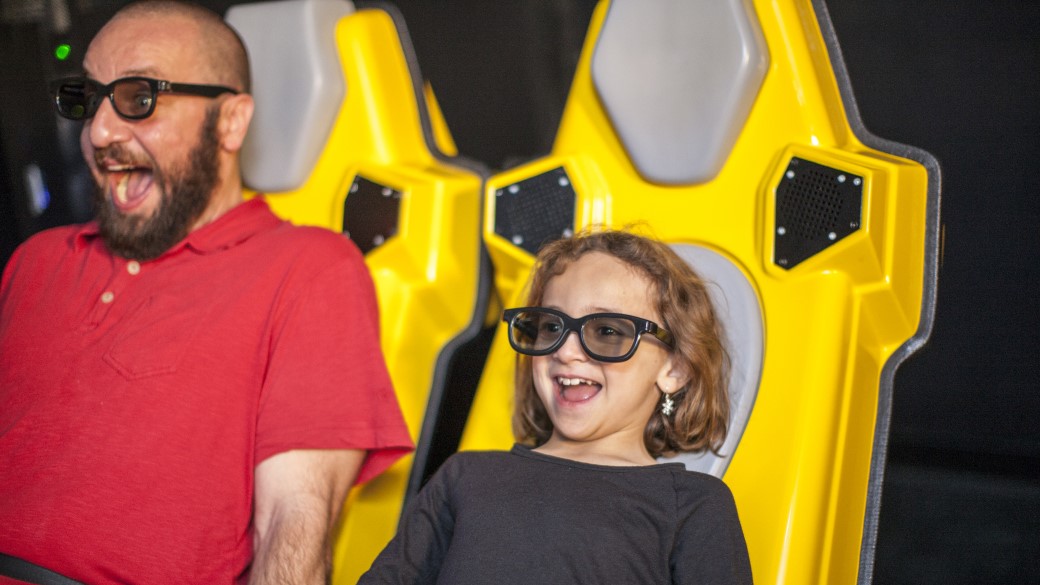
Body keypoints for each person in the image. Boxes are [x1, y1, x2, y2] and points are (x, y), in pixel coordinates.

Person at [0, 1, 413, 584]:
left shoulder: (308, 268)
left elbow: (292, 525)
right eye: (88, 99)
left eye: (139, 99)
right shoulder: (36, 260)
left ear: (231, 121)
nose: (99, 131)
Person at [358, 229, 753, 584]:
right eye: (551, 326)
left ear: (676, 369)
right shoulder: (466, 475)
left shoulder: (693, 504)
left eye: (608, 331)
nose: (566, 351)